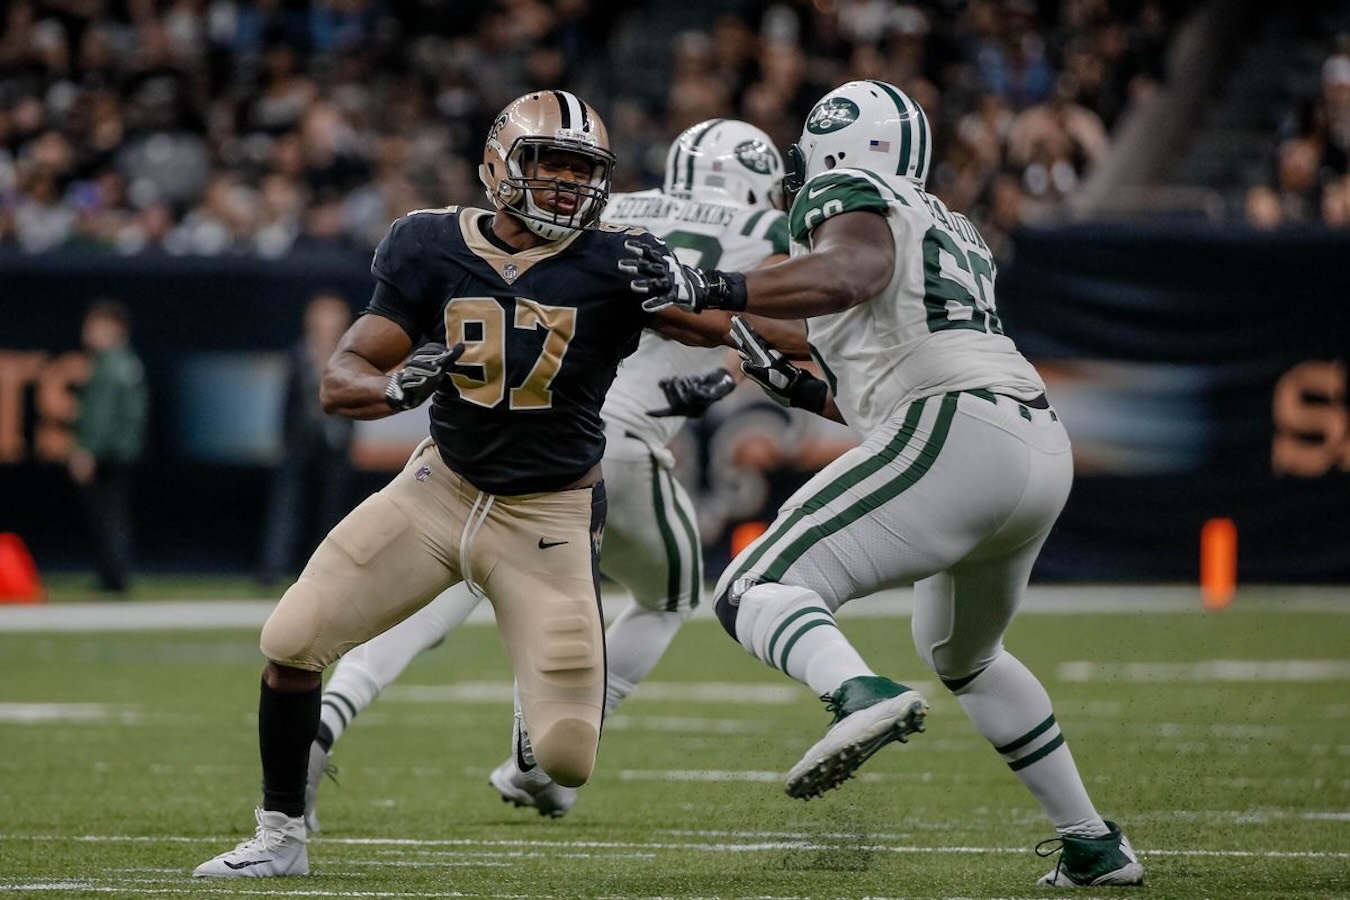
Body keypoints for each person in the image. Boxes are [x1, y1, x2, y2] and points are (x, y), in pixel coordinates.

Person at [193, 91, 771, 879]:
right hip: (439, 491)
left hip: (551, 518)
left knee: (566, 758)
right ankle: (279, 835)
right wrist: (397, 390)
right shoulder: (429, 245)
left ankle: (536, 707)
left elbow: (753, 332)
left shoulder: (616, 260)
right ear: (502, 165)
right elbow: (343, 378)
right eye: (552, 165)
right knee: (291, 640)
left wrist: (697, 289)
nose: (569, 186)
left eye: (583, 171)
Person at [621, 80, 1145, 888]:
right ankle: (1093, 845)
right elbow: (846, 333)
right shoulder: (949, 224)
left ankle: (858, 694)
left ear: (836, 145)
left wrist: (714, 284)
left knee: (755, 585)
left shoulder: (853, 199)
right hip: (1033, 442)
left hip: (960, 427)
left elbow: (850, 276)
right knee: (966, 655)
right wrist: (746, 348)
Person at [258, 292, 356, 585]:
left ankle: (326, 569)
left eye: (333, 316)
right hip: (299, 443)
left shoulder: (350, 356)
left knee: (332, 510)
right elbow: (286, 404)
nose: (327, 323)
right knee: (287, 507)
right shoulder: (297, 354)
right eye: (322, 315)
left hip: (335, 444)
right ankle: (274, 567)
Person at [68, 298, 148, 595]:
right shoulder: (122, 362)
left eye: (96, 326)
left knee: (109, 515)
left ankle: (114, 575)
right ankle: (112, 573)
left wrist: (88, 450)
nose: (88, 332)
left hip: (109, 453)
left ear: (116, 328)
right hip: (119, 450)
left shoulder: (113, 364)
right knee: (111, 514)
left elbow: (102, 414)